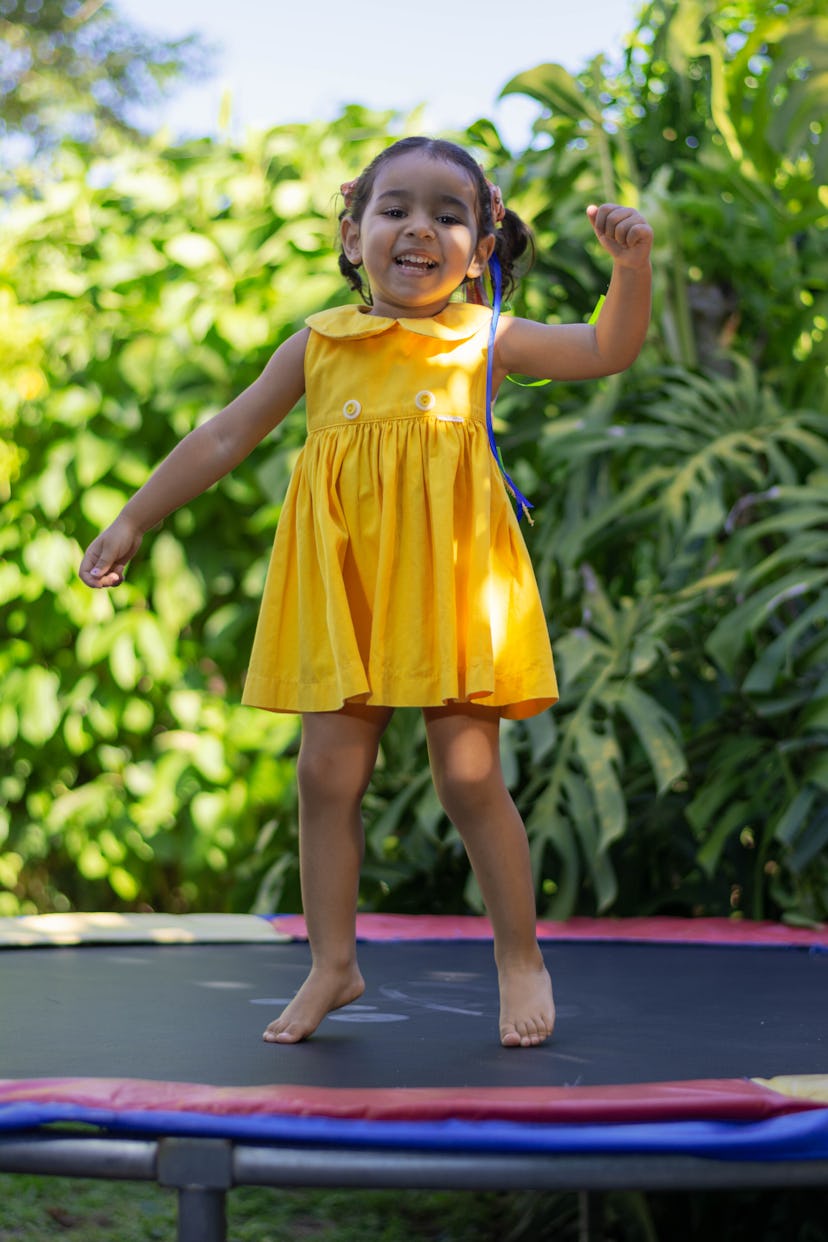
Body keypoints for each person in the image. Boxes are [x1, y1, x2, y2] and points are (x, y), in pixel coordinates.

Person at [80, 136, 653, 1049]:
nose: (419, 229)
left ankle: (518, 957)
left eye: (448, 215)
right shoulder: (319, 344)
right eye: (396, 210)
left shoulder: (484, 339)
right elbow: (225, 437)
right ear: (352, 234)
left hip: (452, 587)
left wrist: (631, 268)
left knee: (469, 778)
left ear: (481, 245)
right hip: (346, 587)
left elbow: (606, 348)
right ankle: (333, 965)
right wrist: (135, 517)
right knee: (324, 776)